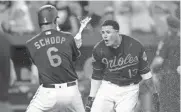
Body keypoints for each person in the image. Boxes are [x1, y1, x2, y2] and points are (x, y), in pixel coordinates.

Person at [25, 5, 91, 112]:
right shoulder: (68, 37)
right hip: (71, 91)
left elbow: (41, 61)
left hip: (48, 92)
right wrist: (75, 45)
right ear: (55, 20)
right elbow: (72, 58)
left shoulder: (30, 44)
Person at [85, 20, 157, 112]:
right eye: (103, 33)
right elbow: (94, 78)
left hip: (129, 89)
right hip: (107, 88)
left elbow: (145, 73)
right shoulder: (98, 51)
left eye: (108, 32)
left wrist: (153, 93)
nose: (105, 36)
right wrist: (91, 99)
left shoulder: (134, 48)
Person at [151, 15, 180, 112]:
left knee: (166, 105)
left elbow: (159, 61)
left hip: (167, 76)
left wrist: (150, 70)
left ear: (168, 26)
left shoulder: (167, 38)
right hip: (177, 75)